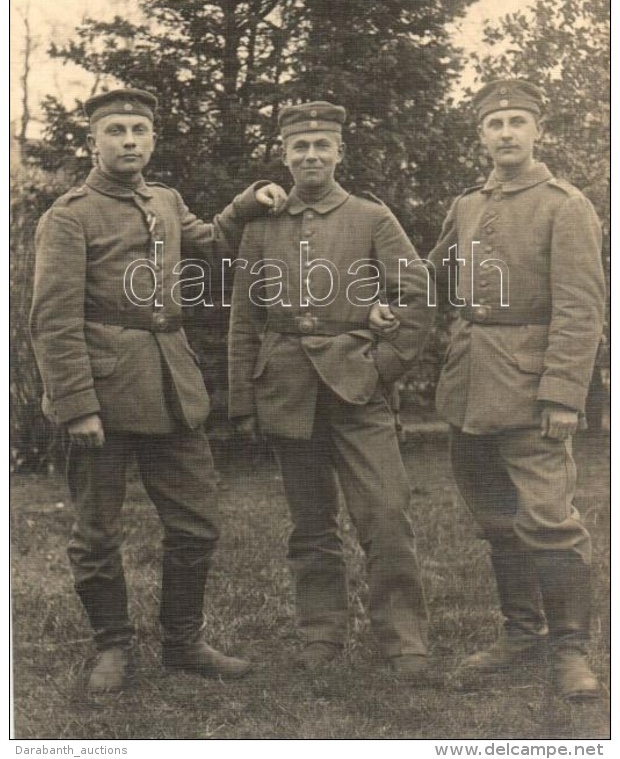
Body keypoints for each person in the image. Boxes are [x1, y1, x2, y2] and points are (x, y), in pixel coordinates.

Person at [29, 88, 286, 694]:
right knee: (96, 530)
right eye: (115, 131)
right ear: (93, 141)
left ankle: (183, 641)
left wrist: (248, 203)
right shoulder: (68, 215)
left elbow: (210, 239)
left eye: (138, 130)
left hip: (172, 388)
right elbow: (53, 319)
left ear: (152, 139)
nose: (128, 142)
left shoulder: (165, 201)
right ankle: (112, 646)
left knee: (196, 523)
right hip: (105, 395)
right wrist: (77, 405)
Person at [413, 79, 604, 701]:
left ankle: (571, 650)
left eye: (518, 122)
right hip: (468, 384)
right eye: (495, 125)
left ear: (537, 131)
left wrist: (563, 395)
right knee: (496, 519)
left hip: (530, 387)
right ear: (481, 136)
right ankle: (522, 632)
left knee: (549, 519)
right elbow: (432, 274)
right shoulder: (469, 203)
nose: (506, 134)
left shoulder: (564, 204)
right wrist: (386, 302)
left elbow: (581, 308)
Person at [228, 101, 433, 676]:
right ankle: (321, 633)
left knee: (387, 515)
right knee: (311, 523)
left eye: (322, 145)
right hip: (286, 391)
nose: (311, 155)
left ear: (340, 152)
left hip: (357, 389)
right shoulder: (261, 224)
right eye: (300, 146)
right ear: (285, 155)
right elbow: (245, 317)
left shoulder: (371, 217)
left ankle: (403, 639)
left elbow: (417, 298)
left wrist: (381, 366)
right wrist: (244, 401)